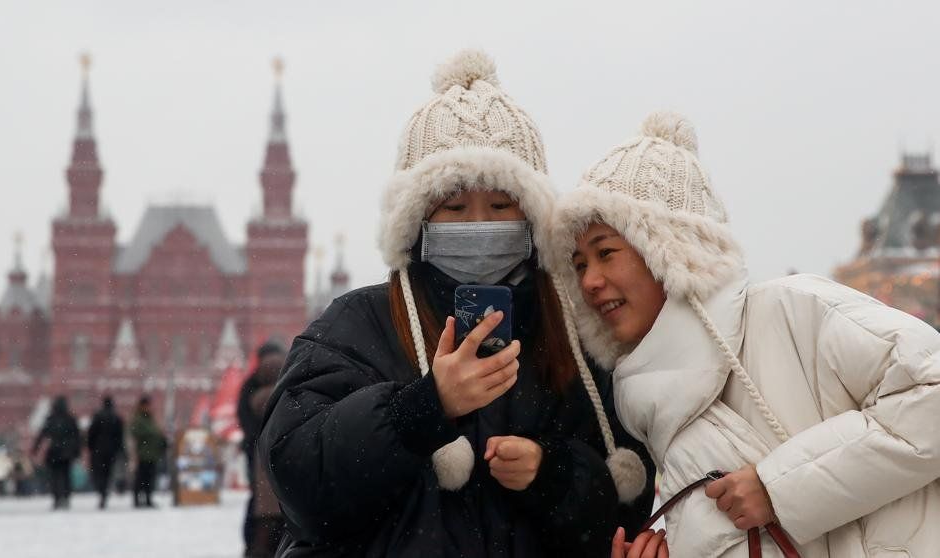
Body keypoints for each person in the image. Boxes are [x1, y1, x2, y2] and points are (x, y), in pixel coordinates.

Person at [258, 49, 657, 558]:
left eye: (499, 205)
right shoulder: (358, 325)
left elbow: (628, 508)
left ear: (532, 218)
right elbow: (297, 481)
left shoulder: (575, 341)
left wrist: (550, 473)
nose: (481, 225)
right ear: (418, 220)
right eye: (454, 206)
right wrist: (419, 410)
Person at [550, 111, 940, 556]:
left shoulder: (789, 311)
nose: (589, 281)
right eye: (579, 264)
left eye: (606, 253)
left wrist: (779, 489)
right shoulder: (647, 404)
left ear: (671, 250)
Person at [238, 342, 287, 557]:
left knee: (260, 504)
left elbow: (244, 418)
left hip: (258, 453)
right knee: (283, 503)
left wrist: (253, 439)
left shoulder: (252, 389)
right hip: (284, 452)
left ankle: (256, 547)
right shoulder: (289, 387)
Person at [32, 396, 82, 510]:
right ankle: (65, 496)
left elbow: (42, 434)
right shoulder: (70, 419)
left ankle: (57, 497)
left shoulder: (51, 419)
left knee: (55, 476)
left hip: (54, 452)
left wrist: (35, 449)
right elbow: (77, 437)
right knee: (66, 476)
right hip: (67, 453)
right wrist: (76, 451)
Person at [87, 395, 125, 509]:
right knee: (108, 473)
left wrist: (91, 447)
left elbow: (91, 433)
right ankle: (104, 492)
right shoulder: (116, 418)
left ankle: (102, 491)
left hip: (98, 450)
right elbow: (120, 436)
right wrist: (119, 449)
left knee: (99, 473)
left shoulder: (97, 416)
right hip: (111, 451)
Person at [130, 395, 166, 508]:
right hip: (143, 454)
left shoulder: (150, 418)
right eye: (147, 405)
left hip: (153, 454)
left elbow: (156, 433)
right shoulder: (138, 419)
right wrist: (150, 435)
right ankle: (137, 500)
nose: (149, 407)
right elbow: (135, 432)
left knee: (150, 478)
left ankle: (148, 499)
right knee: (141, 478)